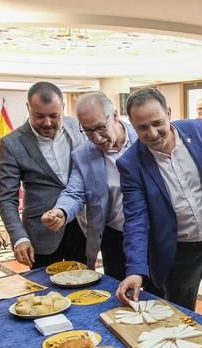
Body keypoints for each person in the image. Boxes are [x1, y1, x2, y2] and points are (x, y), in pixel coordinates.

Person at [115, 88, 202, 326]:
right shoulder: (130, 163)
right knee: (179, 317)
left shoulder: (198, 131)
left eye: (157, 123)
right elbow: (136, 219)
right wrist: (135, 270)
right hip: (179, 252)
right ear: (132, 126)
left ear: (169, 113)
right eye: (142, 128)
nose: (152, 133)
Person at [41, 92, 137, 280]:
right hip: (114, 236)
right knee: (119, 292)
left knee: (158, 295)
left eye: (100, 127)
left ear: (115, 116)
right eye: (87, 130)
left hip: (151, 232)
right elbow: (74, 192)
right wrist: (61, 210)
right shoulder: (83, 154)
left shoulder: (142, 138)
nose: (96, 137)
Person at [0, 81, 87, 268]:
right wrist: (19, 238)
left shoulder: (79, 127)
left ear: (63, 108)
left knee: (87, 287)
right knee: (44, 293)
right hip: (41, 234)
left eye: (54, 116)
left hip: (81, 226)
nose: (47, 122)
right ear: (28, 108)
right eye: (39, 116)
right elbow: (6, 199)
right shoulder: (12, 143)